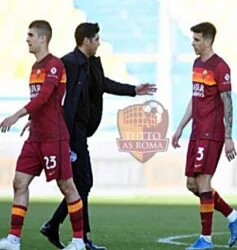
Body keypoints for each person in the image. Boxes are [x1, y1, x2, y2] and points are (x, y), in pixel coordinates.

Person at [38, 22, 157, 250]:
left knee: (82, 183)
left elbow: (103, 84)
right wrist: (48, 125)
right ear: (86, 41)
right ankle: (78, 237)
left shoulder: (91, 64)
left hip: (81, 131)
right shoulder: (69, 63)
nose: (99, 42)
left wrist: (133, 90)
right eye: (96, 39)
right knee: (83, 183)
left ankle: (55, 226)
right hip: (71, 132)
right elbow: (52, 94)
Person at [0, 20, 86, 250]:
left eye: (30, 35)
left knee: (66, 186)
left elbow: (45, 97)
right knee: (19, 182)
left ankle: (78, 240)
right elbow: (42, 104)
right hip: (35, 136)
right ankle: (13, 239)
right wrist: (31, 120)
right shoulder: (34, 67)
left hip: (54, 137)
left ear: (42, 39)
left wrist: (17, 115)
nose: (27, 39)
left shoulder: (55, 65)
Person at [172, 22, 237, 250]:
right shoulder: (196, 64)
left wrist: (229, 136)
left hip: (211, 132)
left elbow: (227, 103)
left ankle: (206, 240)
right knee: (192, 185)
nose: (192, 43)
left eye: (196, 39)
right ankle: (234, 216)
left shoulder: (220, 67)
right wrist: (180, 127)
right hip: (196, 133)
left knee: (204, 181)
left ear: (207, 40)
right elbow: (195, 99)